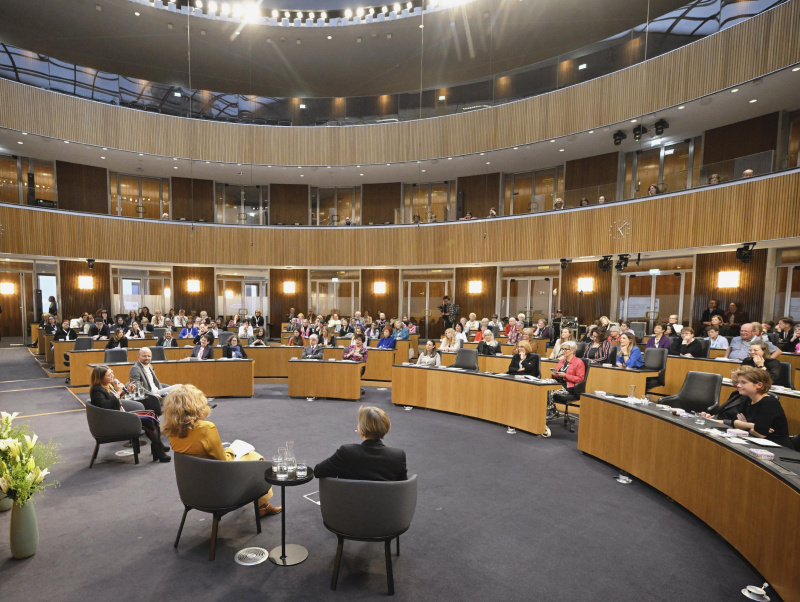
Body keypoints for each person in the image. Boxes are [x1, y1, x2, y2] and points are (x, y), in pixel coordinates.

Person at [162, 385, 281, 515]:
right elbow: (224, 461)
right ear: (195, 405)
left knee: (250, 457)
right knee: (256, 459)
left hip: (193, 489)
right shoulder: (206, 428)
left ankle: (263, 506)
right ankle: (263, 505)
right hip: (219, 489)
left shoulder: (172, 431)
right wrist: (230, 450)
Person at [89, 365, 170, 463]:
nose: (112, 376)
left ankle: (157, 446)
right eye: (109, 375)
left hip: (120, 415)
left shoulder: (107, 386)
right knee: (148, 419)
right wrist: (118, 392)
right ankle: (158, 449)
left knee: (152, 415)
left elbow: (114, 400)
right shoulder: (96, 390)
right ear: (100, 378)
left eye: (112, 373)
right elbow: (106, 405)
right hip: (113, 420)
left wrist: (125, 391)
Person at [701, 367, 793, 448]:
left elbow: (760, 434)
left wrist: (746, 426)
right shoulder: (748, 399)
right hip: (756, 443)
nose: (738, 385)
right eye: (739, 382)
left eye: (743, 383)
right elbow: (735, 422)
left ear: (759, 385)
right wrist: (750, 426)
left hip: (778, 447)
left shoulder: (769, 402)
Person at [314, 406, 407, 481]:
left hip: (350, 503)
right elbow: (403, 487)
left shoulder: (346, 452)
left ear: (361, 429)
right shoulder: (397, 456)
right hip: (385, 503)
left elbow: (318, 471)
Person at [129, 347, 179, 411]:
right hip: (150, 395)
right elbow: (137, 387)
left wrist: (162, 391)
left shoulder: (149, 365)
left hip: (158, 391)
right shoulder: (135, 369)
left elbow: (155, 382)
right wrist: (152, 395)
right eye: (144, 356)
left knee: (179, 389)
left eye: (149, 356)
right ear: (138, 357)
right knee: (179, 387)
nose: (147, 358)